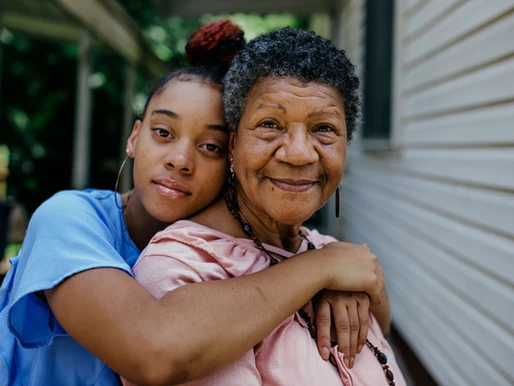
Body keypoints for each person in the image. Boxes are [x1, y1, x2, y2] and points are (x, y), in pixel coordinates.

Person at [0, 21, 385, 386]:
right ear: (135, 137)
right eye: (164, 132)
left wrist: (336, 277)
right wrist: (322, 267)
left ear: (233, 156)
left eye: (210, 146)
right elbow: (151, 349)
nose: (180, 160)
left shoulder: (240, 250)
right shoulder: (68, 219)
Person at [130, 27, 404, 386]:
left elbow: (379, 328)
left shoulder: (334, 257)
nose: (299, 153)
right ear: (233, 145)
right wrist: (322, 269)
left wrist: (342, 274)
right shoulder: (182, 268)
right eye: (269, 124)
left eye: (324, 128)